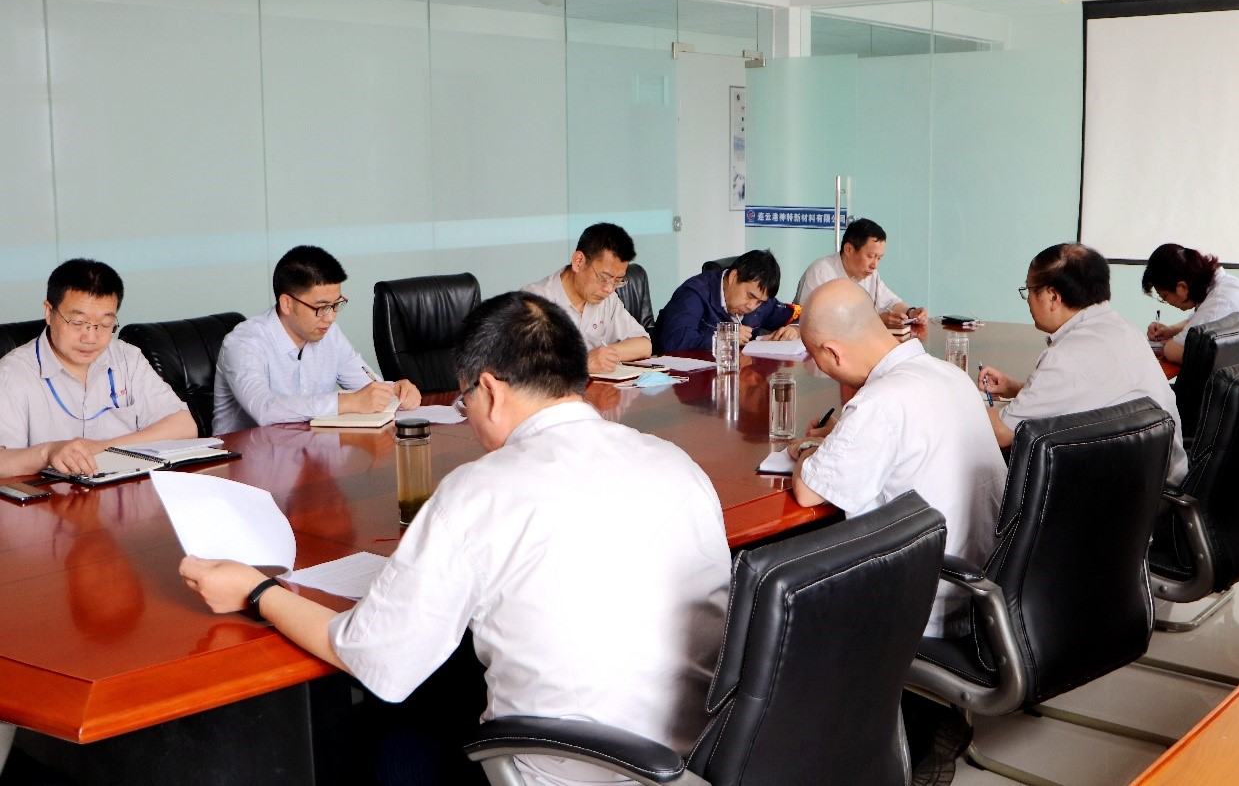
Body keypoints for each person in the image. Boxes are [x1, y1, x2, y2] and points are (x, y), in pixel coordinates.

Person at [180, 291, 732, 786]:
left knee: (388, 748)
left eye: (466, 400)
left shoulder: (480, 489)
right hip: (696, 757)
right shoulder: (674, 462)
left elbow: (377, 661)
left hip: (567, 769)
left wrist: (256, 592)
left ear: (488, 389)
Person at [787, 279, 1005, 637]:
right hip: (987, 593)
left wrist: (810, 447)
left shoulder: (878, 403)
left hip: (927, 607)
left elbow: (810, 491)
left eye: (819, 360)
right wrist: (841, 435)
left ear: (833, 353)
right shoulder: (950, 374)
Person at [979, 243, 1186, 485]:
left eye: (1030, 290)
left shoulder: (1066, 355)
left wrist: (956, 390)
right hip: (1157, 486)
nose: (1028, 301)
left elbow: (1001, 433)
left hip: (1113, 494)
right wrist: (1013, 387)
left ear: (1053, 297)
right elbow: (1082, 394)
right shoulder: (1124, 329)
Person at [0, 258, 197, 478]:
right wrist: (48, 452)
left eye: (104, 325)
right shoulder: (12, 373)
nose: (91, 338)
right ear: (49, 312)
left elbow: (184, 426)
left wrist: (102, 447)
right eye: (78, 323)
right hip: (54, 495)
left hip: (125, 489)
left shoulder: (127, 358)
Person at [213, 245, 421, 435]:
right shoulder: (243, 343)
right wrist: (346, 402)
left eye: (336, 304)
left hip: (308, 450)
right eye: (321, 307)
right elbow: (264, 409)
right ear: (287, 304)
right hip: (243, 458)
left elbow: (367, 388)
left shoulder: (330, 334)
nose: (330, 317)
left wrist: (395, 391)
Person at [522, 222, 652, 374]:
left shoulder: (608, 300)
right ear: (578, 261)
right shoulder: (535, 301)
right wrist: (583, 362)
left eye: (618, 280)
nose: (609, 289)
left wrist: (606, 354)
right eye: (604, 278)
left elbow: (644, 346)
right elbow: (524, 366)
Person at [653, 249, 801, 353]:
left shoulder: (760, 301)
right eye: (750, 296)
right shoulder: (694, 294)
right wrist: (725, 337)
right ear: (733, 277)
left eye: (759, 302)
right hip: (687, 381)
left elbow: (799, 316)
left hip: (737, 376)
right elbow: (673, 340)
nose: (752, 306)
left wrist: (795, 329)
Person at [1142, 243, 1239, 363]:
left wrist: (1166, 344)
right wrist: (1171, 330)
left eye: (1165, 296)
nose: (1167, 302)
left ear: (1182, 288)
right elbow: (1199, 324)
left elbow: (1177, 352)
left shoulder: (1218, 302)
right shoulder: (1220, 285)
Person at [794, 218, 928, 328]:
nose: (874, 265)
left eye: (879, 258)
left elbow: (890, 302)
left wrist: (911, 312)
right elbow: (813, 321)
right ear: (849, 249)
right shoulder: (821, 272)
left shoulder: (870, 274)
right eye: (870, 256)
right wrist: (875, 322)